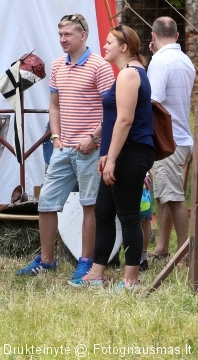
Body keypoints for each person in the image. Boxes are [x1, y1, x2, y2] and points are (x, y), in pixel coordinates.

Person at [16, 13, 114, 281]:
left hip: (90, 149)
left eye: (68, 34)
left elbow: (112, 110)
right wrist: (56, 135)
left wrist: (93, 138)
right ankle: (47, 260)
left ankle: (86, 261)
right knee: (46, 202)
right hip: (63, 147)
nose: (62, 39)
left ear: (83, 35)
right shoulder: (58, 65)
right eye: (60, 34)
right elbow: (55, 105)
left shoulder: (100, 66)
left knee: (89, 205)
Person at [71, 26, 155, 289]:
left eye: (109, 43)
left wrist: (112, 158)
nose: (104, 47)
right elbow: (114, 120)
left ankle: (130, 280)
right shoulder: (127, 72)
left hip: (131, 152)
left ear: (124, 47)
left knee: (128, 215)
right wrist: (106, 152)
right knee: (104, 211)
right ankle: (96, 274)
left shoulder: (130, 74)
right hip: (119, 152)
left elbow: (125, 120)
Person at [146, 16, 195, 263]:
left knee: (174, 197)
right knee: (165, 195)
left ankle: (186, 254)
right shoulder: (186, 60)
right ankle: (162, 247)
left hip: (168, 139)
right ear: (177, 36)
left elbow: (153, 101)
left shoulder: (159, 61)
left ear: (153, 36)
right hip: (182, 137)